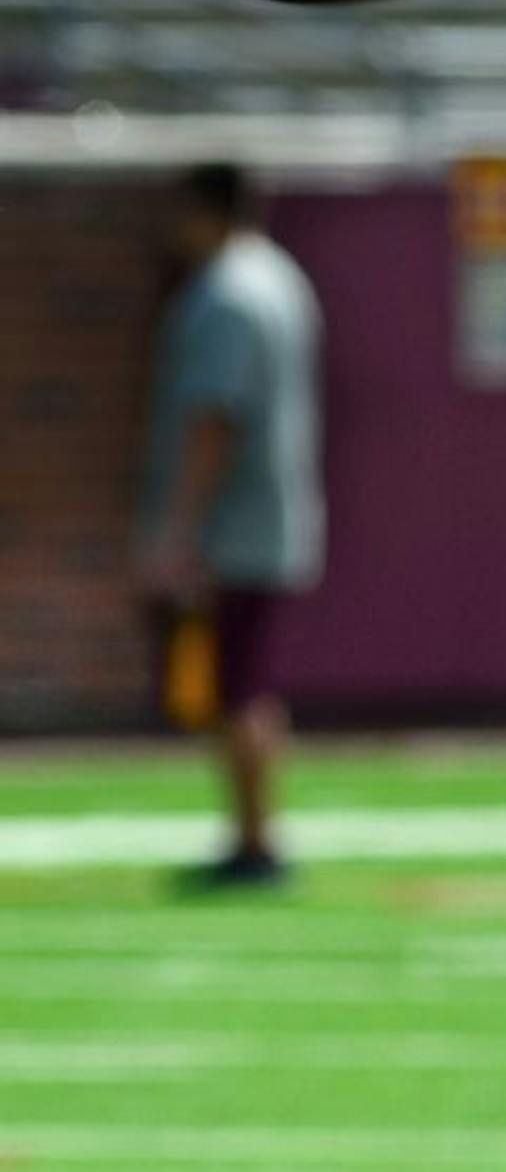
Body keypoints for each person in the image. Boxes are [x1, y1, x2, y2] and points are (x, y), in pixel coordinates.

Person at [136, 162, 325, 889]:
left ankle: (255, 841)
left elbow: (215, 417)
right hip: (271, 511)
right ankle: (254, 834)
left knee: (236, 685)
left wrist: (177, 528)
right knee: (246, 681)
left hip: (235, 522)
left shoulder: (227, 294)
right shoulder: (279, 279)